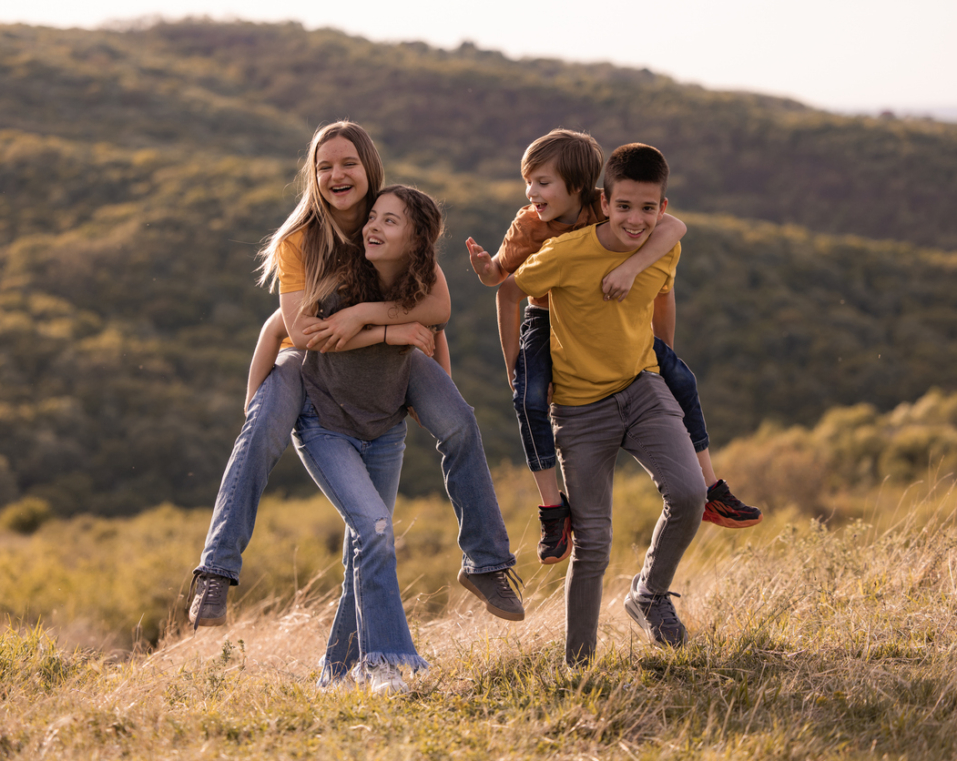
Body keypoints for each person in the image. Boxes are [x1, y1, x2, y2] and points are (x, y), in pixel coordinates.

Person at [189, 122, 522, 630]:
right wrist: (384, 330)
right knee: (268, 440)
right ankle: (216, 571)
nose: (336, 174)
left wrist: (367, 316)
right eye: (324, 167)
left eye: (348, 163)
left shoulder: (391, 219)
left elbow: (434, 308)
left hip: (386, 379)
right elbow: (296, 332)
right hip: (311, 368)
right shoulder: (301, 241)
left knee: (452, 433)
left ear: (370, 168)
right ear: (312, 177)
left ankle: (485, 564)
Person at [467, 129, 760, 567]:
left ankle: (710, 488)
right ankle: (552, 507)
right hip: (544, 320)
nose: (532, 192)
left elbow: (674, 226)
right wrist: (510, 357)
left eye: (543, 183)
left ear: (583, 191)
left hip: (606, 325)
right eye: (529, 182)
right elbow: (501, 279)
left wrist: (661, 348)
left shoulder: (608, 207)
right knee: (527, 399)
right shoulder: (529, 223)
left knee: (681, 378)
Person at [504, 142, 706, 665]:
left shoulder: (664, 246)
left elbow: (664, 296)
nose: (635, 220)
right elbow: (509, 290)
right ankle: (579, 666)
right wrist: (516, 365)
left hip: (641, 388)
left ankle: (648, 594)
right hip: (577, 408)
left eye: (647, 208)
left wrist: (666, 358)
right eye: (623, 207)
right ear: (603, 200)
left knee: (689, 495)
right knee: (593, 541)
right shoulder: (566, 253)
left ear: (662, 209)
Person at [290, 185, 448, 694]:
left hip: (385, 432)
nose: (374, 227)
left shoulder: (414, 282)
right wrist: (257, 409)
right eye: (372, 218)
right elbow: (286, 330)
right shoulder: (342, 271)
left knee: (366, 547)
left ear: (416, 239)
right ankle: (383, 662)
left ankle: (333, 677)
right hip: (325, 425)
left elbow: (437, 321)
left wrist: (437, 401)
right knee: (376, 530)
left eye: (389, 221)